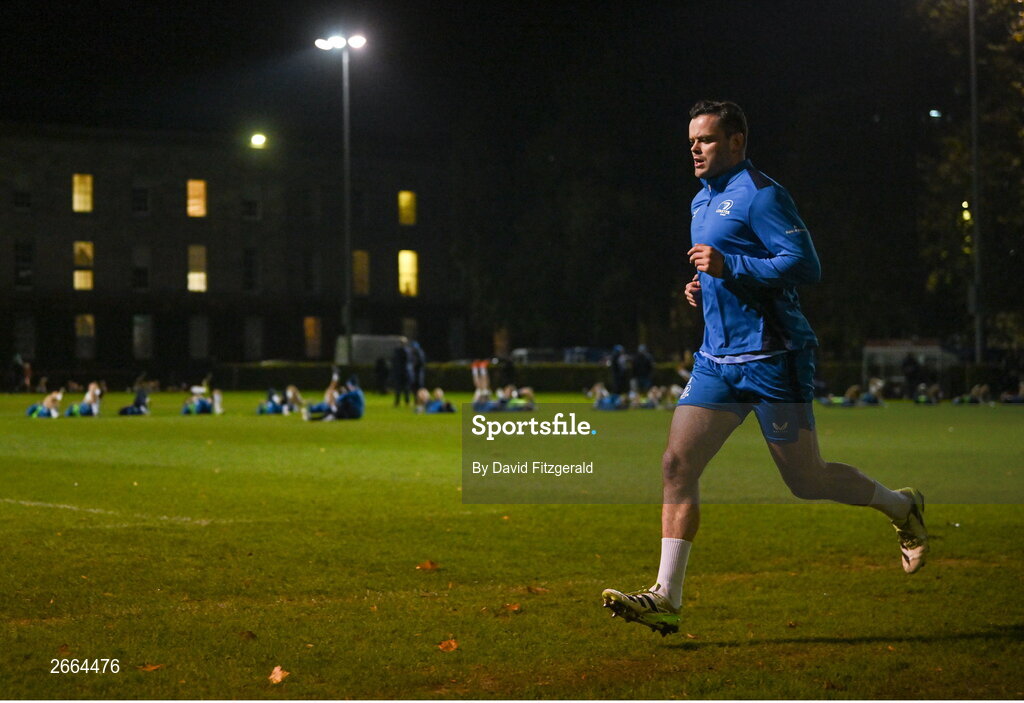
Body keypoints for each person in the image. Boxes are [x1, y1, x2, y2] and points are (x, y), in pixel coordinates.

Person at [600, 100, 928, 637]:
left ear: (735, 142)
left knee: (806, 479)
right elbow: (723, 271)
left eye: (705, 140)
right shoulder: (701, 200)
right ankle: (666, 596)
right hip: (716, 362)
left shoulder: (763, 195)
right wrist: (703, 287)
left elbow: (804, 265)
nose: (695, 150)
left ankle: (901, 506)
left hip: (775, 358)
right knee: (676, 465)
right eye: (691, 142)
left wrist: (731, 266)